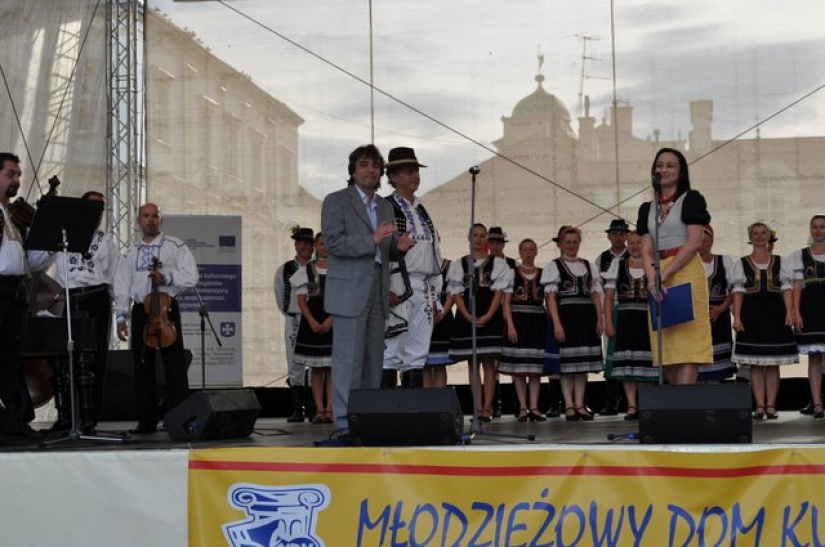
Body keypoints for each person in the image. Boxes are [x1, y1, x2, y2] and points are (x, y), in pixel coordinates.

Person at [321, 144, 415, 433]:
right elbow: (332, 243)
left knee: (374, 359)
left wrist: (398, 248)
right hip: (349, 289)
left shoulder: (385, 206)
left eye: (375, 165)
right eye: (364, 164)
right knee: (348, 359)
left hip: (378, 286)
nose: (371, 170)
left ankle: (366, 419)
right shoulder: (336, 200)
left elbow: (386, 248)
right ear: (352, 170)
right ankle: (344, 423)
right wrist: (371, 239)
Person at [114, 202, 199, 434]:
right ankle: (146, 421)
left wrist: (167, 278)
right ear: (138, 220)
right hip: (141, 310)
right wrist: (120, 317)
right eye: (146, 216)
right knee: (142, 366)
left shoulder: (175, 245)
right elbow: (121, 285)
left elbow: (191, 276)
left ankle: (178, 419)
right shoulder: (130, 252)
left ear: (160, 220)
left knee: (175, 366)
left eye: (154, 216)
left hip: (166, 309)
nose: (150, 220)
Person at [636, 147, 712, 385]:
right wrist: (652, 278)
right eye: (660, 165)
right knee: (666, 341)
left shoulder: (691, 199)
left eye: (670, 165)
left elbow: (694, 242)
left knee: (689, 339)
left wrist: (666, 273)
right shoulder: (647, 208)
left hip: (685, 268)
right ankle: (673, 398)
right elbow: (646, 250)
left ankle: (684, 399)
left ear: (681, 172)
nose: (664, 170)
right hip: (657, 271)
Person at [52, 190, 121, 432]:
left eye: (100, 209)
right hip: (68, 297)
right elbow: (39, 261)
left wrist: (122, 313)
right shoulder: (61, 236)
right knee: (64, 358)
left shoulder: (106, 242)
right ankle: (66, 417)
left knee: (96, 358)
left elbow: (117, 278)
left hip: (96, 297)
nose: (97, 213)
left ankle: (91, 417)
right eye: (92, 207)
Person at [0, 152, 53, 439]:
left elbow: (28, 263)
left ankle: (11, 422)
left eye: (18, 175)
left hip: (15, 292)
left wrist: (50, 241)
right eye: (10, 174)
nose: (17, 180)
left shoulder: (14, 215)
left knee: (11, 359)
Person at [381, 147, 442, 389]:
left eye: (416, 170)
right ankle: (386, 406)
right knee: (391, 347)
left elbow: (435, 252)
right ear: (393, 176)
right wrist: (384, 287)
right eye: (408, 171)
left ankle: (411, 405)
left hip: (423, 285)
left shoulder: (422, 209)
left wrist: (436, 296)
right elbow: (380, 251)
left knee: (418, 350)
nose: (415, 176)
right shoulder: (385, 207)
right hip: (397, 284)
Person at [731, 222, 797, 420]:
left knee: (773, 363)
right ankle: (759, 405)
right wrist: (737, 317)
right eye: (755, 233)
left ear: (768, 236)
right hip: (752, 314)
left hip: (775, 313)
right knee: (756, 364)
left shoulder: (781, 261)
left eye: (763, 233)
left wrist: (789, 312)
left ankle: (771, 405)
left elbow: (787, 289)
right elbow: (738, 293)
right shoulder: (741, 263)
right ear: (750, 237)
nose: (759, 236)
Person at [448, 223, 511, 422]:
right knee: (473, 362)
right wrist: (467, 315)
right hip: (468, 312)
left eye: (482, 235)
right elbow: (456, 292)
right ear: (469, 238)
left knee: (489, 362)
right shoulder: (460, 263)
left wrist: (489, 315)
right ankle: (476, 407)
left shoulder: (498, 264)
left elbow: (499, 293)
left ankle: (487, 408)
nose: (478, 239)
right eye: (475, 235)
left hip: (489, 312)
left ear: (487, 240)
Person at [541, 225, 603, 421]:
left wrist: (600, 318)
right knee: (567, 365)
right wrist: (556, 324)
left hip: (586, 318)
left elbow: (595, 294)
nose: (571, 245)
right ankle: (568, 404)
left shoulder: (589, 266)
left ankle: (580, 404)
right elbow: (550, 297)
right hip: (566, 317)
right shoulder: (554, 266)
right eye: (567, 242)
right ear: (560, 244)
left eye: (575, 242)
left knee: (581, 364)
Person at [603, 230, 656, 420]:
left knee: (647, 363)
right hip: (624, 318)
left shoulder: (654, 264)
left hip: (647, 319)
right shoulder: (618, 264)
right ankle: (632, 405)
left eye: (638, 242)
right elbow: (609, 297)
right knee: (627, 364)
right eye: (631, 242)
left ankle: (645, 403)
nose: (634, 246)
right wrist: (608, 321)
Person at [500, 238, 548, 422]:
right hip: (518, 320)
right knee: (518, 368)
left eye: (531, 249)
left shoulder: (543, 274)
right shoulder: (511, 273)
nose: (528, 253)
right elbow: (506, 303)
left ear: (536, 252)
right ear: (520, 252)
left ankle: (534, 407)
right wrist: (510, 326)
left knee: (536, 368)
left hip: (537, 321)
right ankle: (522, 407)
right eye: (525, 249)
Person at [274, 226, 315, 422]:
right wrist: (291, 313)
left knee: (315, 363)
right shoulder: (285, 269)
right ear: (296, 245)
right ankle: (297, 409)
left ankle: (314, 408)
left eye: (310, 244)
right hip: (294, 318)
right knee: (294, 362)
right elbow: (280, 294)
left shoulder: (317, 267)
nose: (307, 247)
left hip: (315, 319)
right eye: (303, 243)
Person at [291, 232, 333, 424]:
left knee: (331, 368)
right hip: (313, 320)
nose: (325, 247)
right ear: (316, 245)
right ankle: (319, 409)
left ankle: (330, 409)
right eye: (322, 244)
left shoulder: (339, 269)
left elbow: (343, 297)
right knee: (316, 369)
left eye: (328, 244)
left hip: (333, 318)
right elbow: (301, 300)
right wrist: (312, 321)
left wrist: (331, 320)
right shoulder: (307, 269)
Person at [791, 215, 825, 419]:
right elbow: (796, 286)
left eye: (822, 227)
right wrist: (796, 312)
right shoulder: (801, 255)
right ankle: (817, 402)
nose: (818, 230)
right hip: (811, 309)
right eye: (815, 227)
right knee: (814, 357)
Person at [595, 218, 630, 415]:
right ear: (609, 236)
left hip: (628, 307)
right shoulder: (601, 259)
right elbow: (597, 287)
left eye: (621, 234)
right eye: (615, 233)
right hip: (609, 308)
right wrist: (603, 313)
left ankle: (629, 401)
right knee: (610, 353)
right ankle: (611, 400)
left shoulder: (634, 255)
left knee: (629, 353)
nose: (618, 237)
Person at [697, 224, 737, 382]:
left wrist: (722, 308)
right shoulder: (687, 264)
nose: (702, 245)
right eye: (698, 241)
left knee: (717, 364)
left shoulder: (723, 261)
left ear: (712, 241)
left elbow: (734, 289)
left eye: (705, 241)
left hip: (719, 317)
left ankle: (715, 392)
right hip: (695, 319)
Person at [486, 226, 515, 417]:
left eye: (499, 243)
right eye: (493, 243)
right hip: (491, 313)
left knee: (512, 356)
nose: (496, 246)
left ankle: (515, 402)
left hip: (509, 313)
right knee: (491, 361)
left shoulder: (512, 264)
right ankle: (494, 402)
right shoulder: (484, 264)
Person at [424, 257, 455, 388]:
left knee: (440, 365)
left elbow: (452, 294)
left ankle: (439, 398)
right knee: (424, 364)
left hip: (443, 320)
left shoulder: (448, 266)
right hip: (422, 319)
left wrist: (442, 313)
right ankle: (427, 400)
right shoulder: (416, 265)